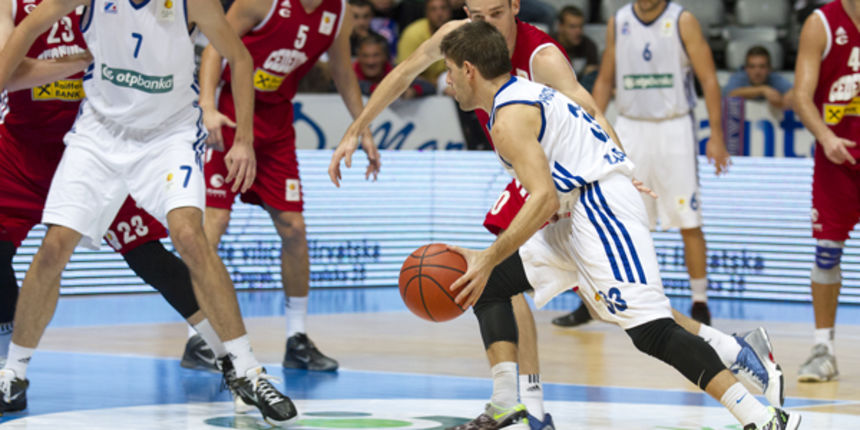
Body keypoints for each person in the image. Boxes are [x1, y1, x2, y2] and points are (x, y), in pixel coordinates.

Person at [328, 0, 784, 426]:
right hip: (555, 181)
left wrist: (617, 164)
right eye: (473, 13)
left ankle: (755, 407)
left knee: (640, 322)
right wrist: (356, 129)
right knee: (502, 286)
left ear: (514, 7)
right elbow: (407, 71)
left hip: (582, 191)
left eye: (492, 14)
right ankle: (515, 398)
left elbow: (586, 109)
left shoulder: (539, 60)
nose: (482, 25)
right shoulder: (467, 46)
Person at [439, 21, 799, 430]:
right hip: (583, 207)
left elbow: (543, 198)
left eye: (449, 70)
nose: (447, 82)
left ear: (469, 69)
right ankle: (506, 403)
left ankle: (762, 417)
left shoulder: (509, 118)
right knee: (487, 284)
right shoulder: (521, 96)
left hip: (600, 207)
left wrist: (488, 254)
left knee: (652, 331)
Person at [0, 0, 298, 424]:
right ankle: (13, 373)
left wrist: (244, 139)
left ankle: (247, 369)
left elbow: (240, 57)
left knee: (188, 237)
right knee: (54, 247)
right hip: (99, 133)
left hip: (168, 134)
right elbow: (28, 28)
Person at [189, 0, 380, 374]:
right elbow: (214, 49)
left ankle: (297, 338)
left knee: (294, 229)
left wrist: (363, 127)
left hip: (275, 125)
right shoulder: (260, 2)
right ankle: (198, 337)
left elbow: (342, 71)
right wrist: (206, 106)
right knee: (213, 223)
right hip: (229, 114)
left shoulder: (337, 13)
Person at [593, 0, 731, 326]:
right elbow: (603, 80)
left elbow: (709, 79)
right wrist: (592, 128)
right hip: (629, 126)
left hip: (674, 127)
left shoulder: (682, 20)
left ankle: (700, 301)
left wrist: (717, 135)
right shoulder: (619, 21)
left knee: (688, 219)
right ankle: (630, 297)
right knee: (628, 219)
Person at [792, 0, 860, 383]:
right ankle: (824, 349)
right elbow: (802, 95)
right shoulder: (821, 24)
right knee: (826, 253)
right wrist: (825, 135)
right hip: (837, 157)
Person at [356, 33, 435, 97]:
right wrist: (377, 90)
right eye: (365, 56)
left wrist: (413, 91)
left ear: (385, 56)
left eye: (376, 55)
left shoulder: (396, 71)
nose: (370, 62)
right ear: (358, 56)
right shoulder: (349, 73)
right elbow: (351, 87)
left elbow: (429, 87)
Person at [723, 46, 794, 110]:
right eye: (752, 67)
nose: (757, 72)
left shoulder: (773, 77)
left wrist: (789, 96)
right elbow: (730, 94)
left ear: (769, 69)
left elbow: (794, 91)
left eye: (762, 66)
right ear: (745, 68)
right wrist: (762, 90)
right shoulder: (739, 76)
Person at [397, 0, 451, 83]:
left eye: (443, 8)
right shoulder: (413, 34)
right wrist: (437, 84)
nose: (439, 13)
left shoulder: (458, 33)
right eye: (433, 9)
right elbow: (404, 72)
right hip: (417, 85)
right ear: (426, 13)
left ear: (450, 11)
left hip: (449, 83)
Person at [552, 5, 599, 85]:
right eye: (572, 27)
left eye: (580, 27)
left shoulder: (589, 46)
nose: (578, 32)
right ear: (560, 27)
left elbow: (590, 78)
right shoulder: (548, 45)